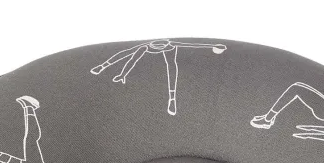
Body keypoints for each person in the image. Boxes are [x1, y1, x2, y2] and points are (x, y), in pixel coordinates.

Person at [91, 39, 227, 115]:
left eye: (162, 47)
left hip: (170, 50)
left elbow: (193, 44)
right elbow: (130, 58)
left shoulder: (171, 46)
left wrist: (214, 46)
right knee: (130, 55)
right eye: (158, 47)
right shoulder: (144, 47)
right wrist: (121, 74)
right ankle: (103, 67)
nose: (160, 49)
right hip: (143, 51)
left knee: (172, 67)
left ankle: (172, 99)